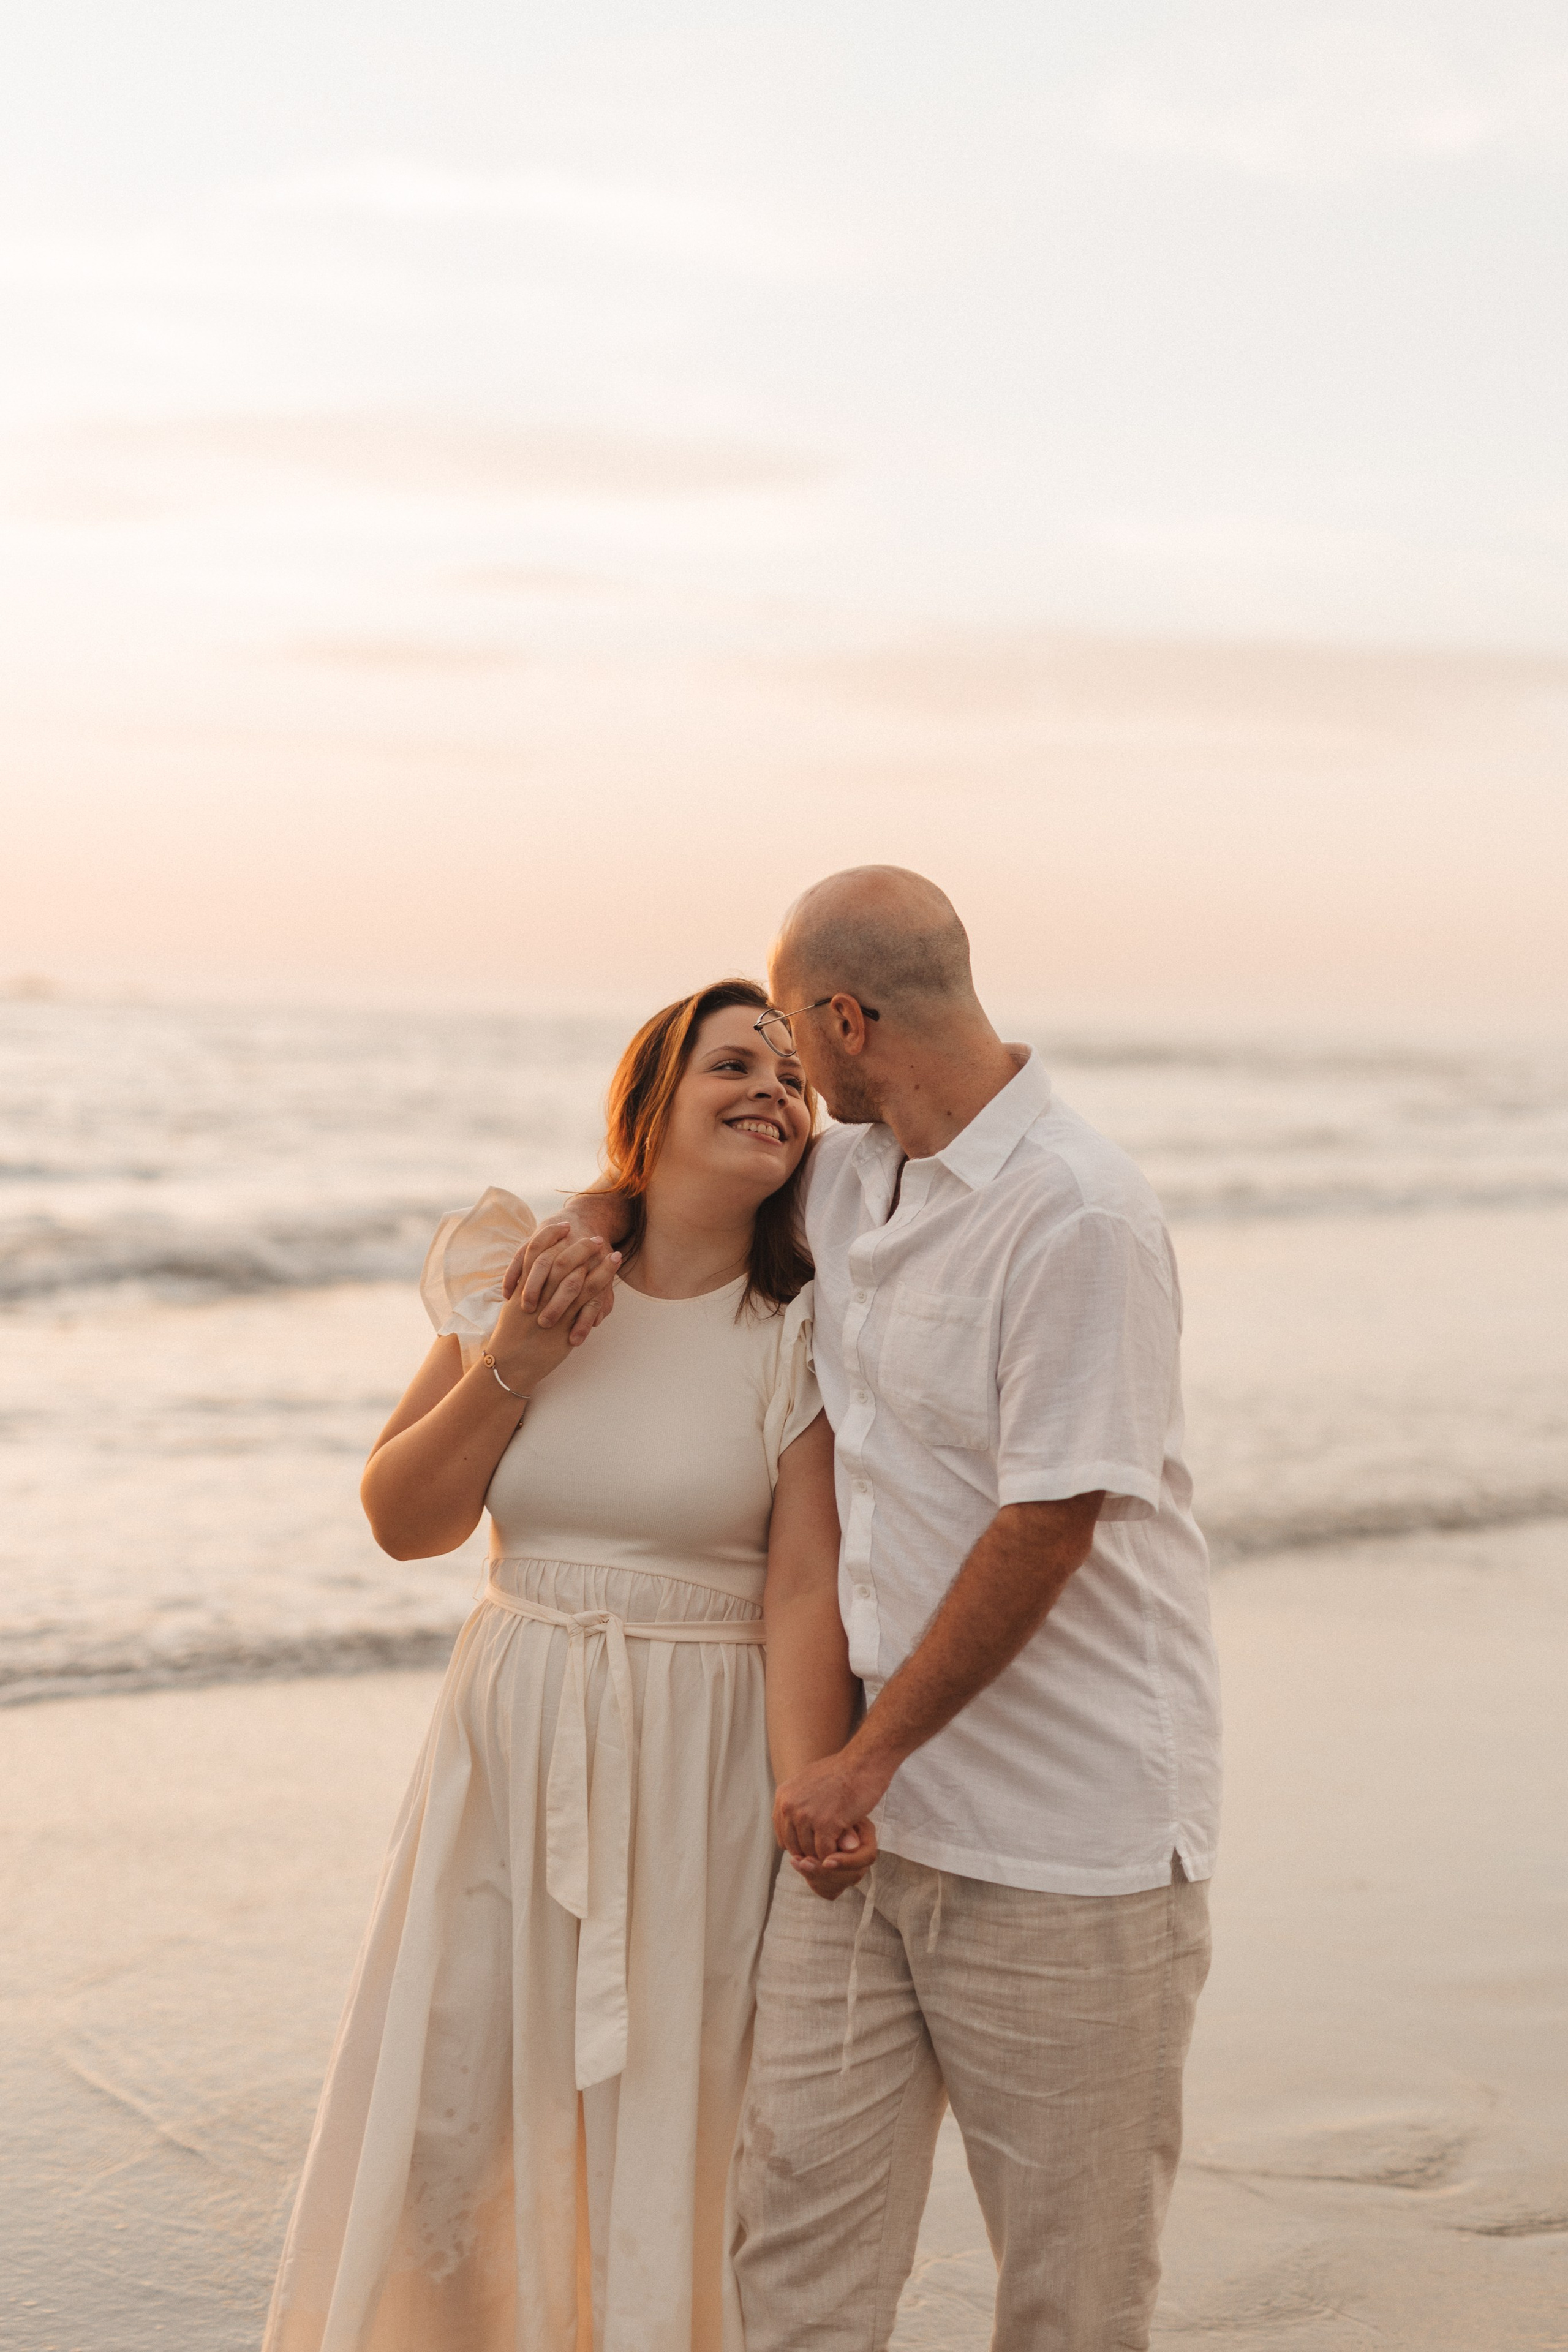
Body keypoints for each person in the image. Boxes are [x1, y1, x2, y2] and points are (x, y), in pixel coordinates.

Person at [521, 869, 1222, 2352]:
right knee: (795, 2267)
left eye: (792, 1035)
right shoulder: (853, 1175)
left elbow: (1046, 1527)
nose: (785, 1066)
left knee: (1070, 2294)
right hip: (863, 1842)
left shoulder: (1077, 1215)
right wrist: (588, 1215)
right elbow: (683, 1191)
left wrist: (857, 1756)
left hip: (1064, 1844)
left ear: (845, 1017)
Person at [262, 979, 870, 2352]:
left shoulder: (802, 1331)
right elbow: (402, 1521)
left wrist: (806, 1797)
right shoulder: (515, 1279)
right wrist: (512, 1365)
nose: (774, 1085)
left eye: (794, 1075)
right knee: (454, 2101)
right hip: (511, 1735)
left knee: (668, 2108)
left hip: (695, 1766)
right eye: (734, 1060)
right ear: (646, 1107)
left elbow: (799, 1587)